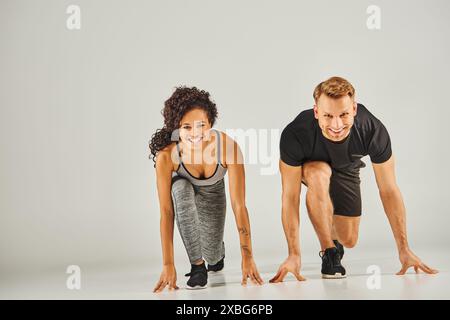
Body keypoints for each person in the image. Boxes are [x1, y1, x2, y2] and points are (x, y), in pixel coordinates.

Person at [270, 76, 438, 281]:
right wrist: (293, 254)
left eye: (343, 114)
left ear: (355, 110)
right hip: (312, 166)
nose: (337, 124)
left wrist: (404, 249)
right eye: (328, 116)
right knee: (319, 174)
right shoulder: (295, 134)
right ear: (316, 112)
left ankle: (333, 233)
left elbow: (389, 190)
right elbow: (290, 197)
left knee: (349, 239)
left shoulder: (372, 129)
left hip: (347, 168)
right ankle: (329, 253)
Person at [150, 86, 263, 292]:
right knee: (181, 188)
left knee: (213, 255)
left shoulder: (228, 148)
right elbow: (166, 212)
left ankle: (215, 256)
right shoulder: (167, 157)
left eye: (201, 125)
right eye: (186, 127)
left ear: (210, 123)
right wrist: (168, 264)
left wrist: (247, 255)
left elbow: (239, 206)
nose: (195, 133)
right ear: (176, 129)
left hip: (213, 192)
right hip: (184, 189)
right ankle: (197, 267)